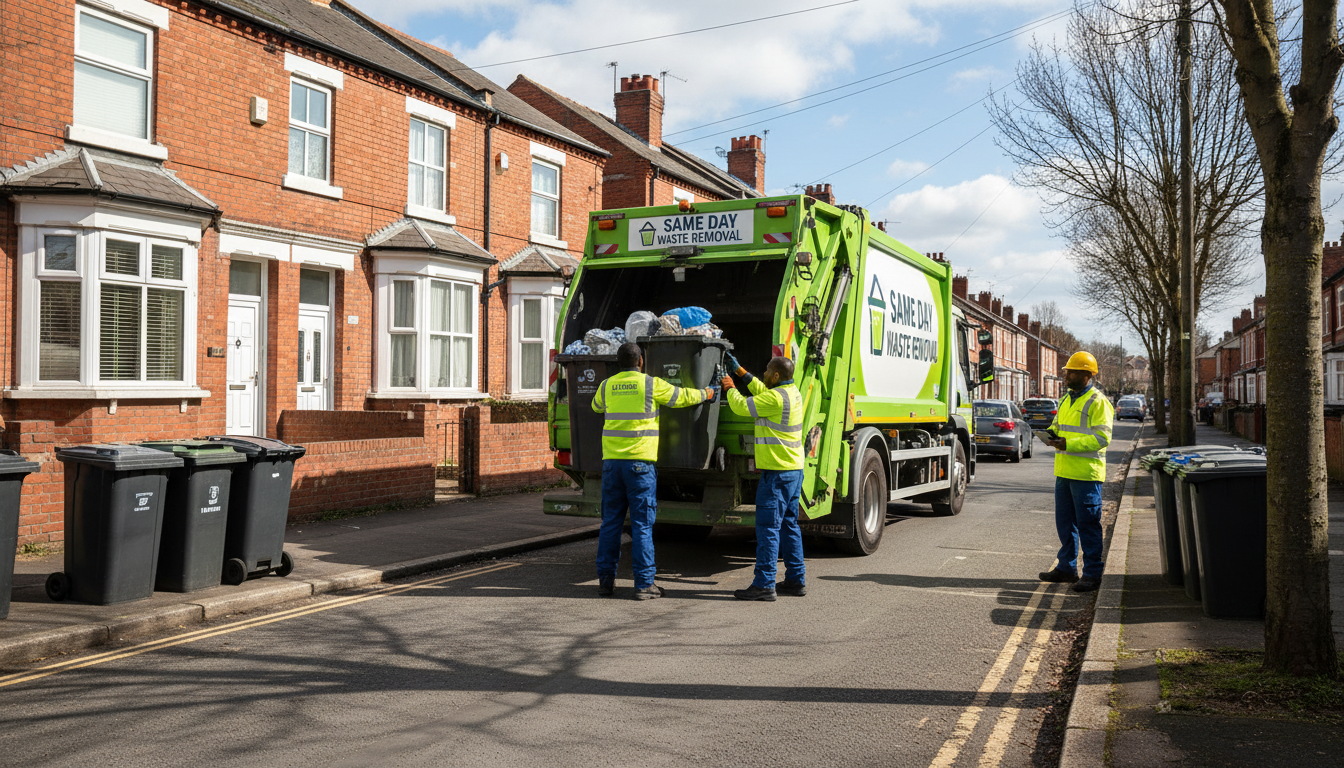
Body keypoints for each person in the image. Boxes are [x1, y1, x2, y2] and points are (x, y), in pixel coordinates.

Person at [591, 342, 715, 600]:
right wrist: (706, 393)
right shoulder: (650, 384)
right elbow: (681, 397)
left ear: (618, 362)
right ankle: (644, 584)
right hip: (640, 465)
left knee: (610, 524)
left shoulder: (607, 386)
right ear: (641, 361)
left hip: (612, 464)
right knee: (642, 526)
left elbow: (595, 407)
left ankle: (605, 582)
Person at [720, 353, 806, 601]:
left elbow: (740, 406)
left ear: (777, 375)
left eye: (767, 370)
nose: (764, 373)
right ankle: (795, 580)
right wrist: (740, 371)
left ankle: (765, 584)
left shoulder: (774, 398)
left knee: (768, 528)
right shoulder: (792, 392)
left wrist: (730, 386)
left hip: (777, 474)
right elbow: (762, 390)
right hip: (792, 471)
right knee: (789, 525)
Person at [1040, 351, 1115, 593]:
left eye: (1070, 372)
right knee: (1065, 524)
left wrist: (1068, 444)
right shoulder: (1065, 400)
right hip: (1064, 472)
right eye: (1066, 371)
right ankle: (1066, 568)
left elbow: (1102, 438)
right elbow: (1058, 425)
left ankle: (1092, 574)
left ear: (1085, 375)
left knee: (1088, 525)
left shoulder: (1098, 401)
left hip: (1086, 474)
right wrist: (1050, 434)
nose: (1066, 375)